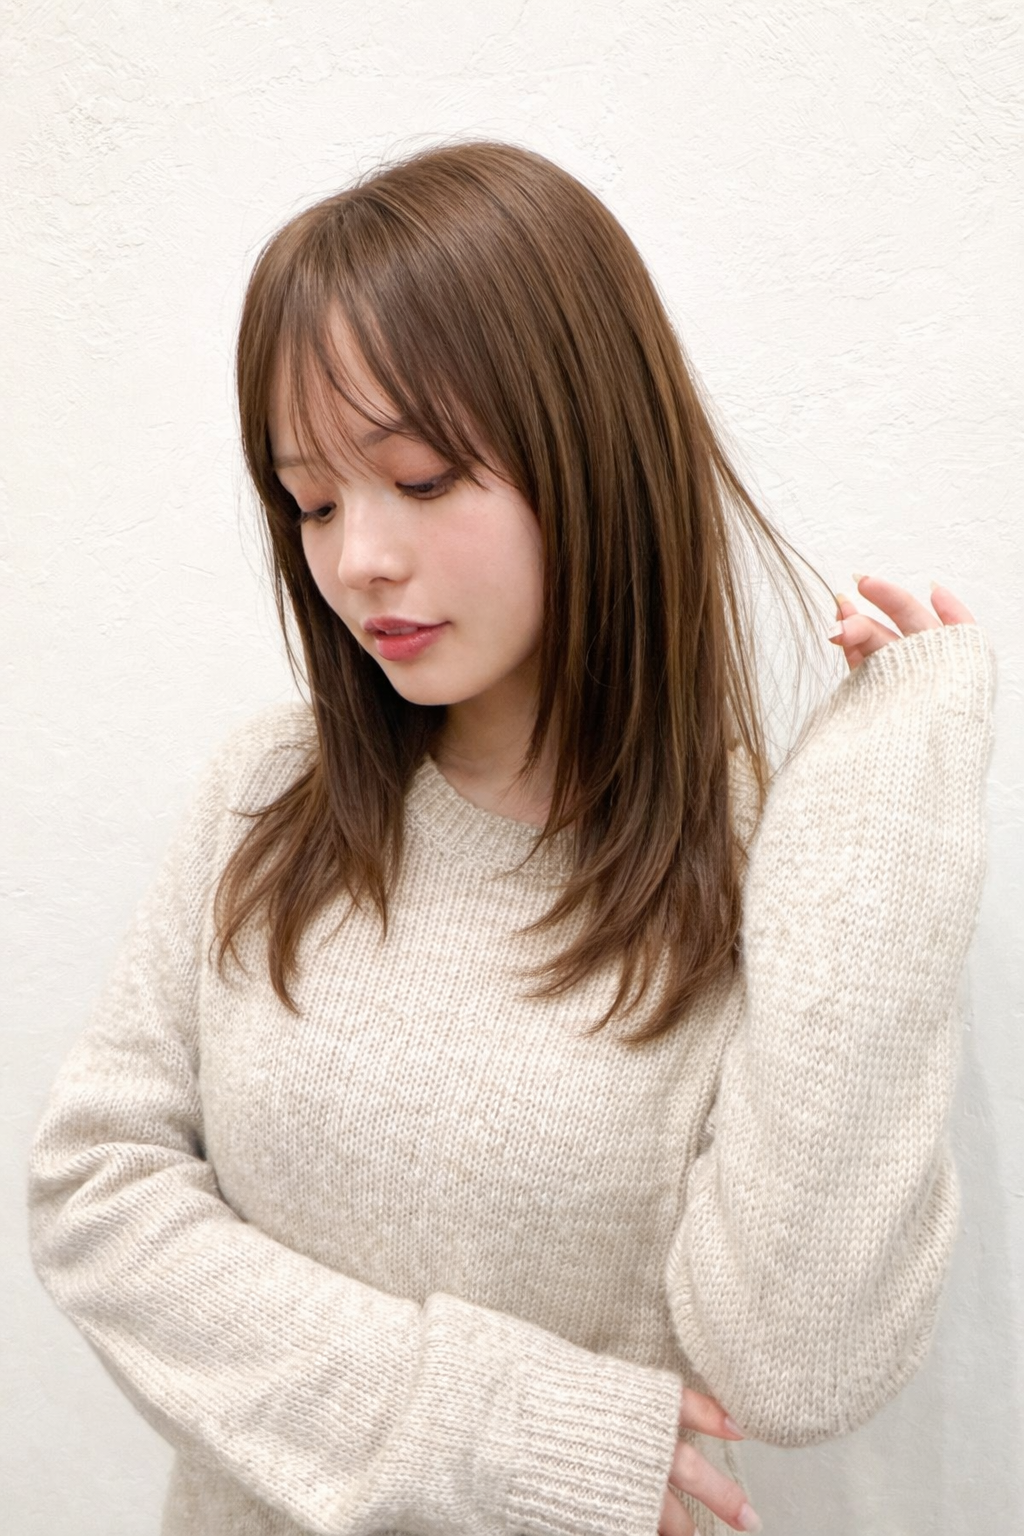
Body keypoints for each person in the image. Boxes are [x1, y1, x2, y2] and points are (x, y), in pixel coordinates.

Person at [27, 140, 995, 1536]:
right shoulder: (270, 796)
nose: (356, 557)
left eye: (421, 480)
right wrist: (498, 1431)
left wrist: (887, 810)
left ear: (592, 452)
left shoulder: (758, 874)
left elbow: (798, 1361)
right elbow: (95, 1193)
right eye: (312, 502)